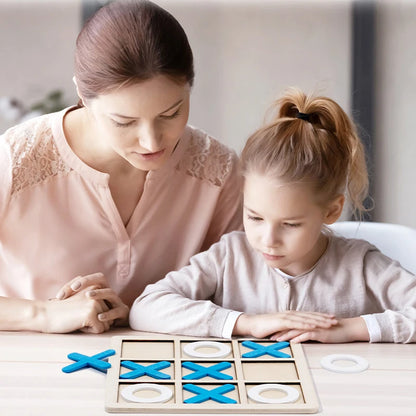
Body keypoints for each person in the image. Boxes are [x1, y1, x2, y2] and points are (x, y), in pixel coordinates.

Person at [0, 0, 242, 333]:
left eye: (171, 114)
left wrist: (145, 313)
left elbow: (244, 292)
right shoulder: (16, 160)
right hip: (30, 370)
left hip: (165, 373)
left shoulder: (218, 171)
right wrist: (44, 314)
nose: (152, 142)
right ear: (83, 96)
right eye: (124, 121)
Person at [130, 88, 416, 344]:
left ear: (331, 211)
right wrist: (247, 323)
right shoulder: (229, 257)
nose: (268, 240)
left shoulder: (361, 265)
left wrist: (351, 329)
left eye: (290, 224)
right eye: (255, 218)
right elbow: (146, 308)